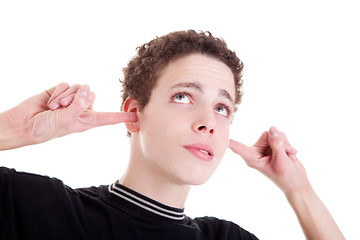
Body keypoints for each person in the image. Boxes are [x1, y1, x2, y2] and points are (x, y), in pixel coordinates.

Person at [0, 30, 344, 239]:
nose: (207, 122)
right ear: (134, 114)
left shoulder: (225, 237)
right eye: (183, 96)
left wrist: (299, 190)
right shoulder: (39, 209)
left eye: (222, 108)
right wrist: (14, 129)